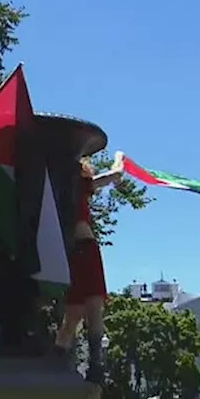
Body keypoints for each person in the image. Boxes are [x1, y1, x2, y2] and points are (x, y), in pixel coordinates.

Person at [53, 161, 121, 383]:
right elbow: (116, 174)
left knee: (90, 308)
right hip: (74, 252)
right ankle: (60, 361)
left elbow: (115, 174)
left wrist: (119, 160)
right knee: (74, 314)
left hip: (82, 249)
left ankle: (95, 364)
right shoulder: (59, 187)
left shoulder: (79, 184)